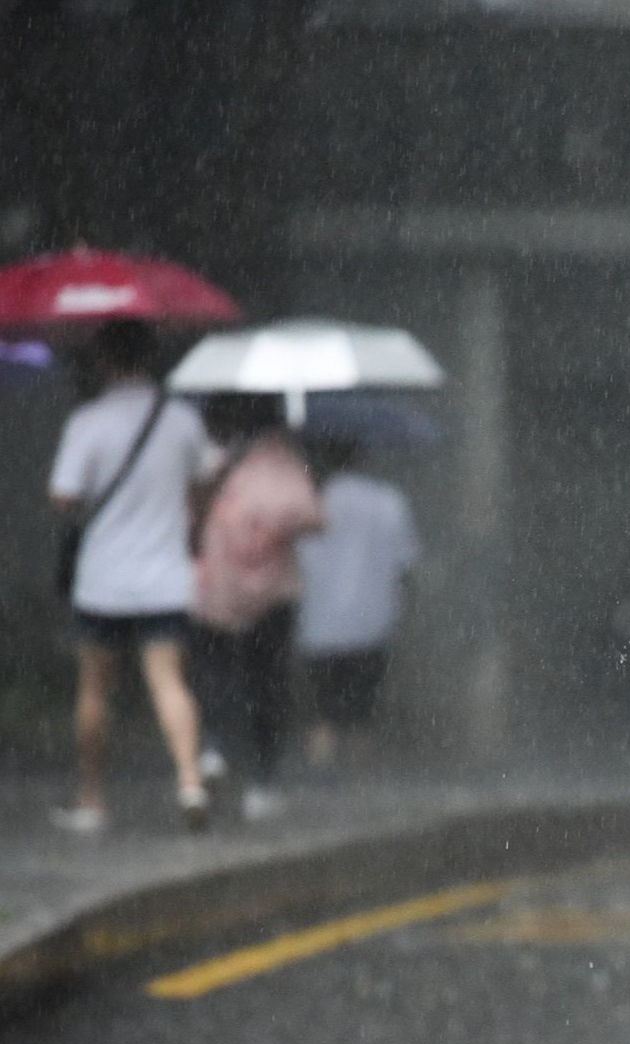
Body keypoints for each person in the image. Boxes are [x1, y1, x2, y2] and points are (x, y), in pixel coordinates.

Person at [46, 318, 215, 833]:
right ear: (151, 358)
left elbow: (63, 496)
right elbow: (205, 481)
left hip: (103, 581)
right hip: (165, 575)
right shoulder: (182, 420)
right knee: (168, 682)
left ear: (103, 361)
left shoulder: (89, 422)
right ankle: (189, 780)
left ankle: (92, 800)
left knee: (95, 689)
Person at [188, 394, 323, 818]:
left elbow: (190, 511)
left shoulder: (215, 458)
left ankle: (213, 748)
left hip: (217, 589)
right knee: (267, 684)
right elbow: (312, 517)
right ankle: (261, 782)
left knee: (214, 674)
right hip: (272, 595)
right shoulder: (283, 460)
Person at [294, 436, 419, 781]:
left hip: (319, 625)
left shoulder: (312, 503)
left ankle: (319, 782)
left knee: (323, 710)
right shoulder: (390, 502)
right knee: (362, 712)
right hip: (371, 622)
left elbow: (296, 563)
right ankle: (360, 783)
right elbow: (405, 564)